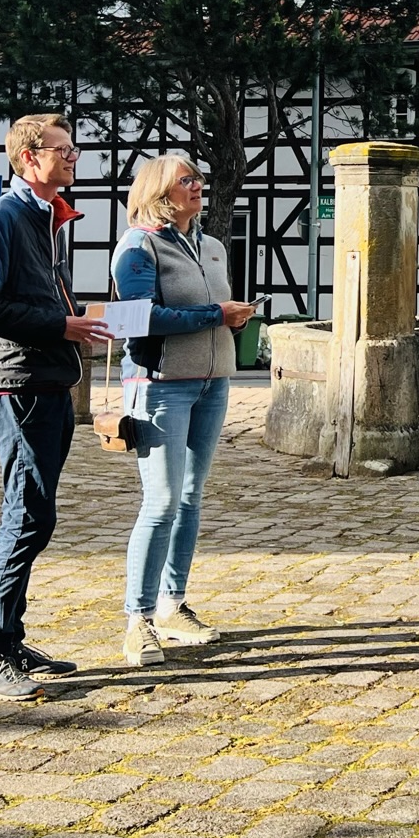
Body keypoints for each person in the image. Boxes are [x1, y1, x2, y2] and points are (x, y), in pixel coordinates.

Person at [0, 113, 113, 701]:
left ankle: (9, 637)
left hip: (47, 380)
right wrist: (60, 324)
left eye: (74, 150)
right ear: (28, 158)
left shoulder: (49, 220)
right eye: (63, 150)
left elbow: (46, 301)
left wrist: (78, 323)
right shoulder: (0, 216)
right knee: (28, 515)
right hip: (18, 383)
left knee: (35, 512)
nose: (73, 158)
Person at [112, 154, 255, 668]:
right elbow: (136, 320)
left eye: (198, 177)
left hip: (214, 383)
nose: (198, 186)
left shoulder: (211, 246)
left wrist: (233, 322)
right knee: (162, 500)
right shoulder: (137, 247)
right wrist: (217, 314)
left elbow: (212, 307)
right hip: (160, 387)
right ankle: (138, 620)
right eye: (186, 180)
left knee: (191, 498)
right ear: (158, 192)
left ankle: (173, 606)